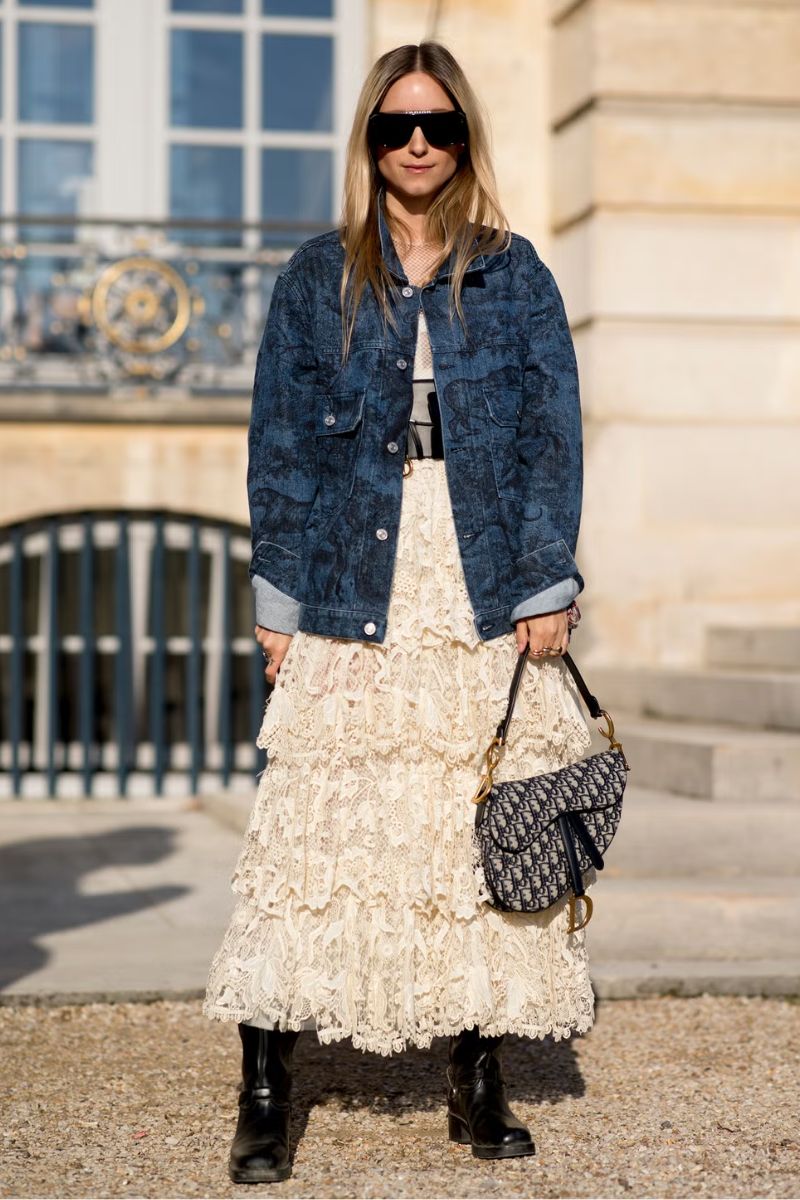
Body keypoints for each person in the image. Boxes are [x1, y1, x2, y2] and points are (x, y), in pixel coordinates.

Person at [203, 40, 593, 1184]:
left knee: (465, 831)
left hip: (472, 578)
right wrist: (277, 596)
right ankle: (267, 1086)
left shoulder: (513, 273)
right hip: (341, 571)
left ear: (463, 138)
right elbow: (276, 445)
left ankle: (475, 1079)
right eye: (394, 125)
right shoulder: (312, 274)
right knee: (306, 834)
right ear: (368, 138)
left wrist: (543, 582)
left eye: (436, 125)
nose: (415, 143)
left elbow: (547, 437)